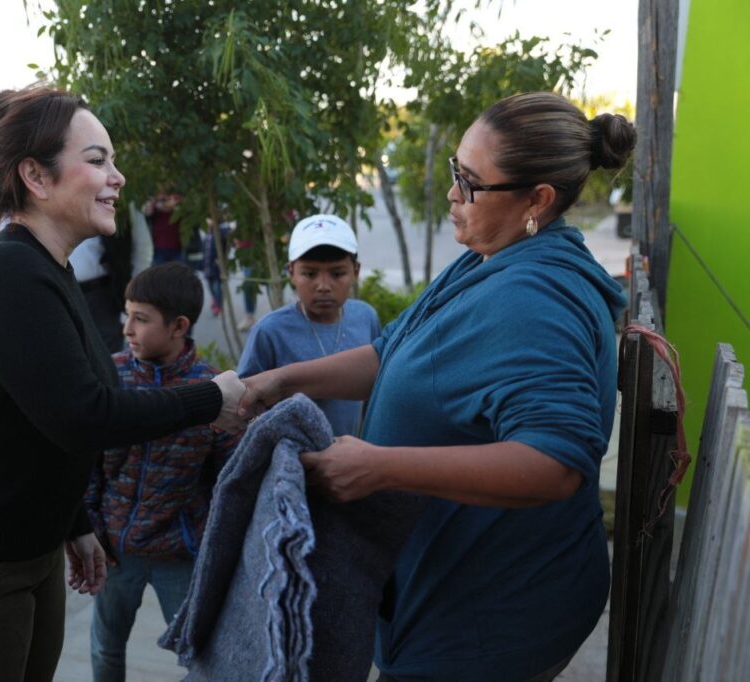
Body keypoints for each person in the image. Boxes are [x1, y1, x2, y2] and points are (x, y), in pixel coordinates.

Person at [239, 92, 635, 681]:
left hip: (490, 616)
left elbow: (556, 462)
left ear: (538, 199)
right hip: (448, 589)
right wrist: (278, 380)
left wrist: (381, 467)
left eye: (471, 182)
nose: (453, 193)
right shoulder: (488, 256)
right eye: (455, 170)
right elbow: (390, 350)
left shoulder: (534, 299)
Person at [0, 85, 246, 682]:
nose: (117, 177)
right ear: (36, 178)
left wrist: (73, 523)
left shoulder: (47, 267)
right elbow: (84, 414)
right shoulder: (6, 272)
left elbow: (40, 418)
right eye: (97, 160)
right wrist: (211, 399)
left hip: (27, 549)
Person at [85, 262, 239, 681]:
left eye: (141, 318)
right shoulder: (109, 376)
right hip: (115, 551)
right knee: (105, 646)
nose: (128, 329)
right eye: (126, 315)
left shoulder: (213, 392)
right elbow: (87, 462)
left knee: (198, 656)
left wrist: (207, 543)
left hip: (179, 557)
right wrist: (93, 527)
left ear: (179, 326)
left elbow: (230, 479)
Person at [237, 214, 381, 438]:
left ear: (356, 271)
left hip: (351, 458)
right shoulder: (270, 331)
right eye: (310, 274)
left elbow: (374, 392)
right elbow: (243, 405)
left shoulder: (366, 317)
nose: (323, 286)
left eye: (337, 273)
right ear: (291, 272)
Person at [68, 201, 153, 353]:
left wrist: (135, 291)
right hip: (63, 290)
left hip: (103, 294)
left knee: (108, 355)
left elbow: (142, 248)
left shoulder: (120, 201)